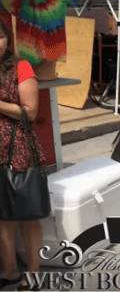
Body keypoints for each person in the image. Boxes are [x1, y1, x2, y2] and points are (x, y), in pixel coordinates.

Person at [0, 18, 46, 291]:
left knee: (27, 215)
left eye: (1, 36)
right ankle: (9, 270)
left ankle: (34, 274)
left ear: (8, 40)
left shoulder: (21, 67)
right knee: (3, 216)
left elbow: (30, 111)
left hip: (17, 150)